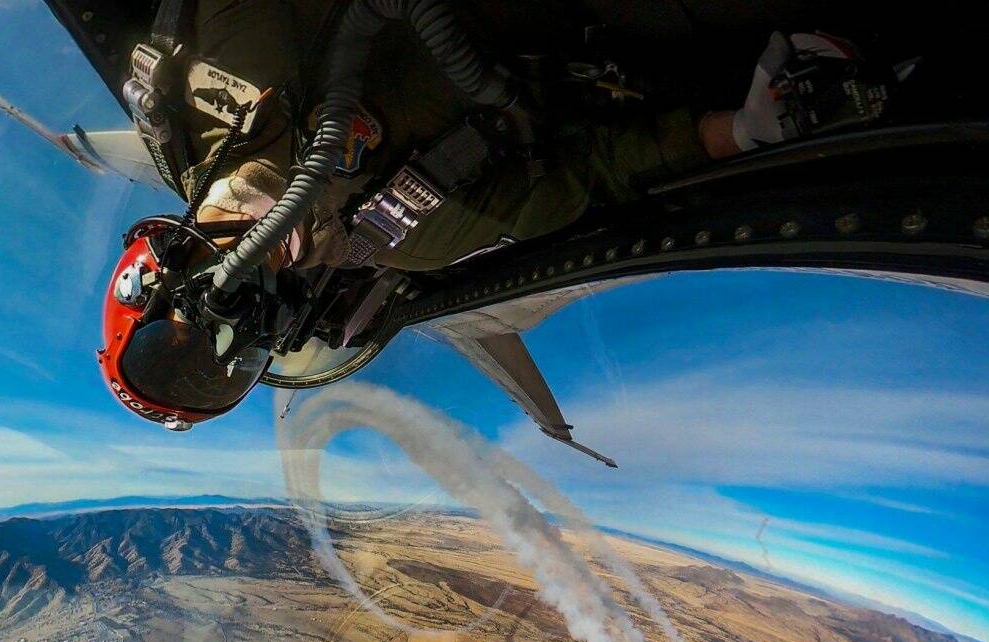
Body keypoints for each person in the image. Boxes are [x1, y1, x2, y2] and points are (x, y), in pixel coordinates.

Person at [98, 2, 861, 425]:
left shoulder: (196, 94)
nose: (245, 322)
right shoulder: (411, 235)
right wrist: (739, 132)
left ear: (159, 271)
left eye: (207, 324)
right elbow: (590, 174)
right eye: (244, 350)